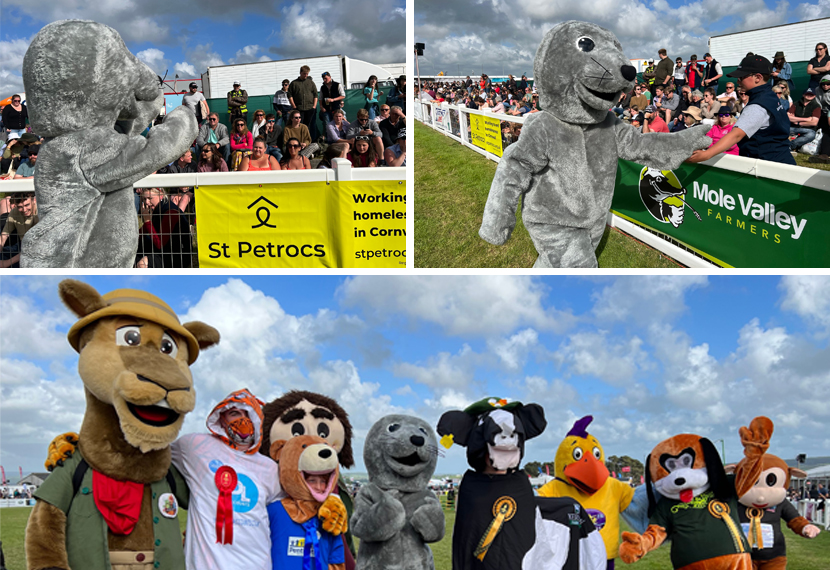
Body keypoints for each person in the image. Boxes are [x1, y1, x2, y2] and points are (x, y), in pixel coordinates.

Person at [171, 389, 282, 569]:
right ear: (222, 417)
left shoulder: (270, 468)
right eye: (234, 413)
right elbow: (157, 459)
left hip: (257, 563)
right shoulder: (194, 446)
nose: (243, 419)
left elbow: (285, 511)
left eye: (249, 414)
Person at [689, 54, 795, 165]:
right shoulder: (770, 95)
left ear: (758, 78)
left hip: (767, 166)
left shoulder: (757, 106)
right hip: (781, 158)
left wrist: (706, 154)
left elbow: (736, 135)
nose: (738, 81)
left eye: (741, 77)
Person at [136, 188, 191, 268]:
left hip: (177, 255)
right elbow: (144, 231)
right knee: (136, 245)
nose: (147, 202)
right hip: (164, 250)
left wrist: (147, 221)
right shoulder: (157, 208)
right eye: (144, 199)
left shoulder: (170, 211)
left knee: (142, 264)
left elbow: (160, 244)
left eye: (150, 198)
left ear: (161, 196)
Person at [0, 192, 38, 268]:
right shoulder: (14, 212)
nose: (24, 210)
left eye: (27, 205)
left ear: (34, 200)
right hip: (22, 246)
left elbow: (37, 247)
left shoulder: (42, 214)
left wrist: (7, 263)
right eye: (20, 207)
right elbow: (4, 235)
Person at [288, 65, 319, 140]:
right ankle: (300, 140)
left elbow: (315, 94)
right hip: (299, 109)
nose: (306, 75)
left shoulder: (311, 82)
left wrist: (314, 106)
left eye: (307, 74)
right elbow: (289, 95)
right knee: (300, 125)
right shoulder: (294, 83)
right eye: (304, 73)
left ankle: (312, 141)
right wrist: (294, 106)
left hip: (310, 108)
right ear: (300, 73)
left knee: (312, 125)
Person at [788, 88, 822, 152]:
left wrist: (798, 122)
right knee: (781, 130)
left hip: (808, 129)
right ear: (803, 95)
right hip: (793, 127)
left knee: (811, 134)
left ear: (814, 96)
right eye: (807, 94)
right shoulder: (796, 104)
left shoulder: (816, 106)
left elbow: (814, 123)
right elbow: (788, 117)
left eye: (811, 94)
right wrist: (807, 119)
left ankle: (790, 146)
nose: (809, 96)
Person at [808, 74, 830, 164]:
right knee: (826, 134)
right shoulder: (817, 90)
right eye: (823, 84)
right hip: (823, 112)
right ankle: (824, 155)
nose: (825, 86)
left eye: (828, 84)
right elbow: (817, 103)